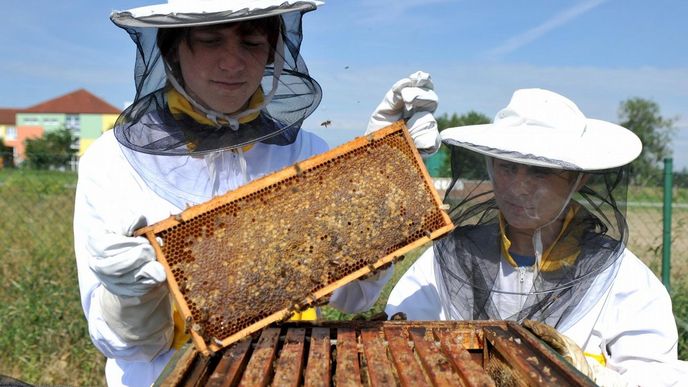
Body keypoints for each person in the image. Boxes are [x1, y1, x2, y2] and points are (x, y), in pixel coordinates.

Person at [73, 1, 440, 386]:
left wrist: (378, 182)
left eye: (250, 42)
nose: (232, 63)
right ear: (171, 50)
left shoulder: (306, 152)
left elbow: (354, 299)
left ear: (272, 51)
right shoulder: (112, 161)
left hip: (290, 371)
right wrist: (130, 298)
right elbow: (127, 346)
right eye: (210, 40)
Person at [385, 88, 688, 385]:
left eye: (540, 171)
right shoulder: (444, 261)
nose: (519, 186)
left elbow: (657, 376)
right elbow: (396, 342)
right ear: (490, 165)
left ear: (578, 178)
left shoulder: (625, 280)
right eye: (507, 166)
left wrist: (588, 374)